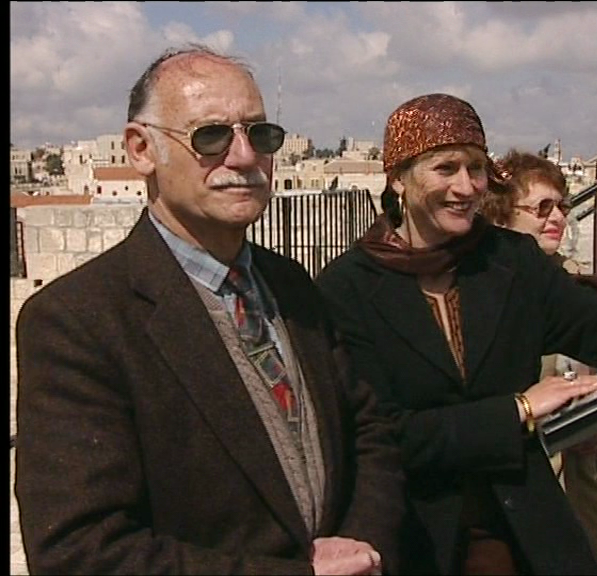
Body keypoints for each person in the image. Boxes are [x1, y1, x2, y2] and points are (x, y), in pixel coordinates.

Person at [315, 93, 597, 575]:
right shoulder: (347, 289)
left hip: (523, 530)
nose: (465, 186)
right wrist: (518, 410)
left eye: (476, 168)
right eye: (446, 169)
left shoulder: (508, 262)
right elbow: (384, 436)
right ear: (399, 178)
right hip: (417, 540)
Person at [14, 45, 404, 576]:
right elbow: (80, 552)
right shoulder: (79, 321)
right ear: (141, 149)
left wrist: (362, 546)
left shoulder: (291, 285)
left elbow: (368, 432)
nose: (243, 157)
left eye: (260, 135)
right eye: (211, 136)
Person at [478, 148, 597, 572]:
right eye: (542, 208)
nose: (558, 218)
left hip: (583, 516)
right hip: (527, 520)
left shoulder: (574, 287)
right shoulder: (487, 299)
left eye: (562, 206)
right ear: (501, 216)